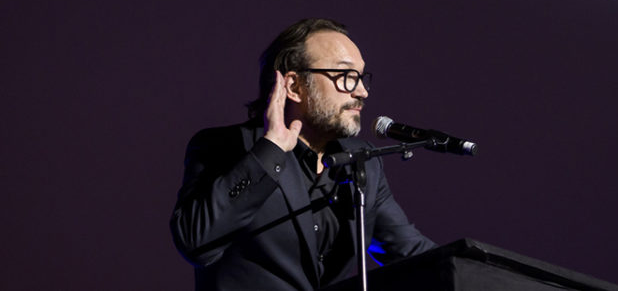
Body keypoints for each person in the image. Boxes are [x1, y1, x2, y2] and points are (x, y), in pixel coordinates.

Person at [170, 18, 435, 290]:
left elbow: (414, 254)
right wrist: (270, 151)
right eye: (346, 76)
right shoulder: (225, 146)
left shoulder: (363, 162)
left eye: (361, 77)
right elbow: (195, 243)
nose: (362, 91)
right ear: (294, 86)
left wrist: (465, 267)